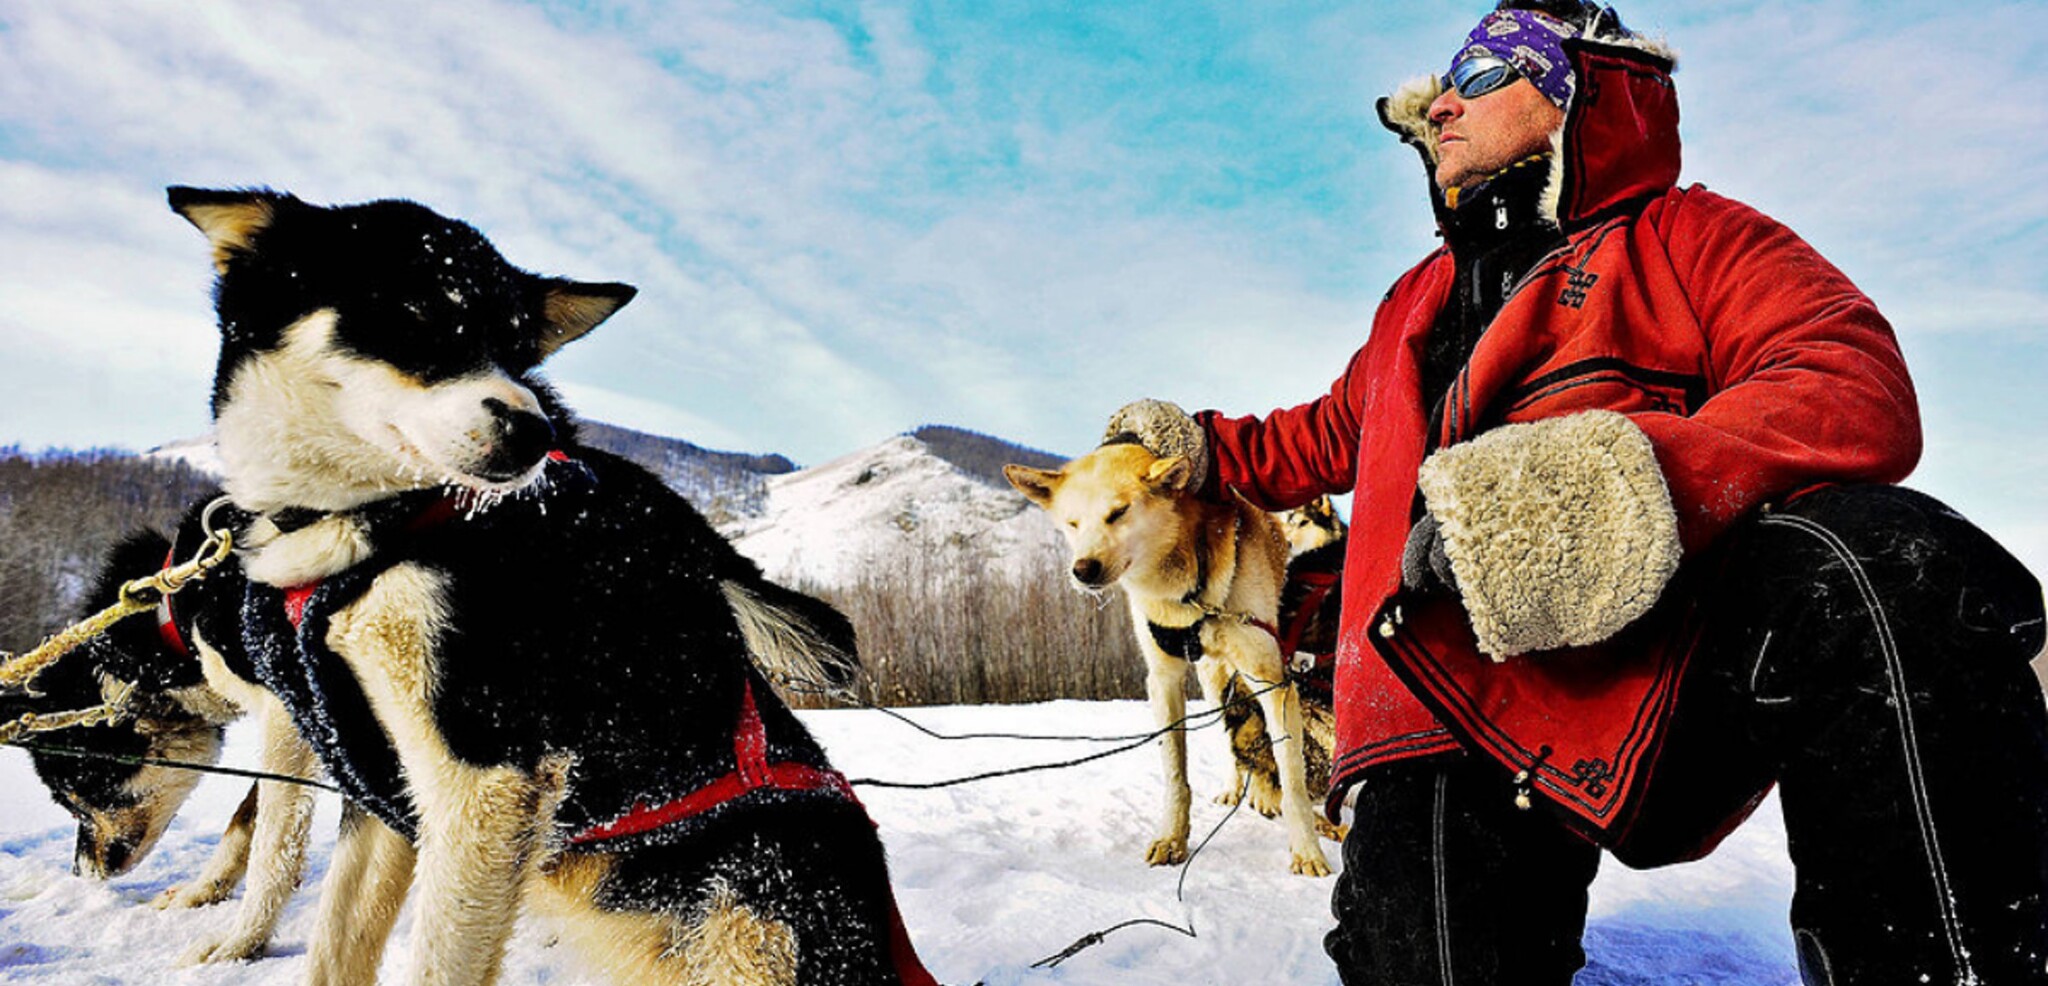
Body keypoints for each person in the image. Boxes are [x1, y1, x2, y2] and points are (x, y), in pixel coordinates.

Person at [1108, 2, 2048, 982]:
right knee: (1425, 956)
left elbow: (1846, 379)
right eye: (1438, 90)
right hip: (1438, 692)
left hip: (1655, 666)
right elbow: (1312, 437)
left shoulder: (1689, 237)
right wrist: (1186, 446)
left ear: (1568, 95)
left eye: (1476, 79)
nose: (1440, 109)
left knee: (1874, 559)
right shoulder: (1407, 307)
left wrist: (1593, 501)